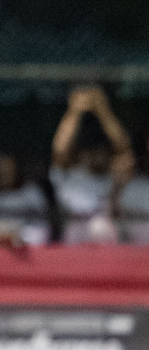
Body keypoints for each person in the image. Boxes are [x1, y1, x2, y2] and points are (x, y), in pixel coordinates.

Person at [50, 85, 133, 245]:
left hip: (106, 234)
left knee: (100, 226)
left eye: (100, 150)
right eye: (90, 151)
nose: (95, 155)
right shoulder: (70, 173)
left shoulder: (113, 173)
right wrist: (75, 111)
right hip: (73, 230)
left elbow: (123, 147)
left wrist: (103, 110)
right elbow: (60, 149)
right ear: (81, 154)